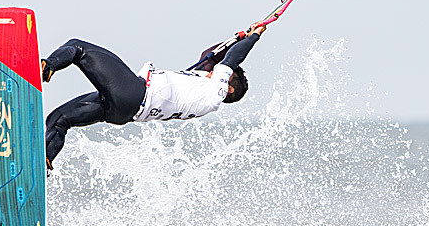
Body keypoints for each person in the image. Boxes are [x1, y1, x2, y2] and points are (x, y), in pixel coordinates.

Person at [42, 24, 266, 170]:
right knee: (59, 119)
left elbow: (231, 60)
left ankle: (42, 68)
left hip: (134, 94)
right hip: (124, 111)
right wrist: (240, 35)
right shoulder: (201, 83)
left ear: (229, 89)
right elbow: (210, 56)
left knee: (77, 47)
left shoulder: (214, 94)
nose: (213, 70)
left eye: (222, 73)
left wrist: (254, 37)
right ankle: (44, 160)